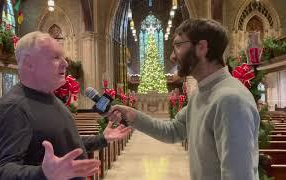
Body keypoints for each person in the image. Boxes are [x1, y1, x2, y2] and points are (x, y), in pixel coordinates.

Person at [107, 19, 260, 180]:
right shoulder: (202, 93)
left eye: (178, 45)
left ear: (201, 47)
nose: (172, 56)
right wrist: (133, 116)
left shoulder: (230, 99)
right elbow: (173, 131)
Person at [0, 31, 131, 180]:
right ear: (30, 63)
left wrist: (102, 139)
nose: (65, 63)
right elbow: (2, 172)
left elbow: (64, 143)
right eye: (56, 57)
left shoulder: (51, 98)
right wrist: (44, 174)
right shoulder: (12, 107)